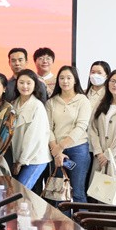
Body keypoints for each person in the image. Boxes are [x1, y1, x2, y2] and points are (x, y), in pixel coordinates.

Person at [45, 65, 92, 203]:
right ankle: (61, 219)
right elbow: (48, 128)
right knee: (59, 193)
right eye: (62, 78)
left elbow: (81, 126)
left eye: (69, 78)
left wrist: (60, 147)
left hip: (78, 149)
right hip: (56, 150)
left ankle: (81, 218)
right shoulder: (51, 102)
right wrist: (57, 152)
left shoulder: (83, 100)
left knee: (77, 192)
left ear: (75, 80)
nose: (65, 81)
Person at [11, 69, 52, 191]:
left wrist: (21, 161)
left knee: (20, 191)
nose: (25, 86)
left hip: (35, 158)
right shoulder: (13, 104)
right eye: (21, 82)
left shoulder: (37, 106)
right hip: (19, 158)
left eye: (29, 83)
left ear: (35, 85)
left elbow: (33, 138)